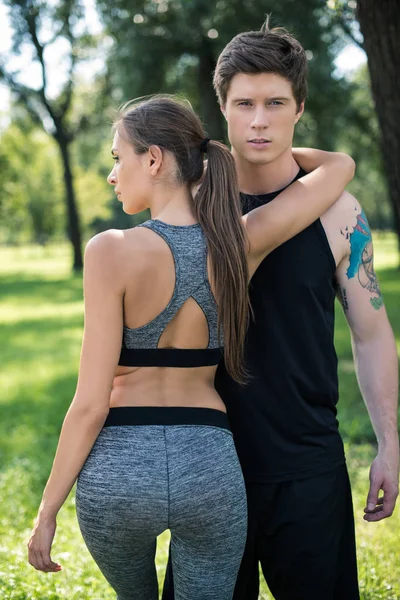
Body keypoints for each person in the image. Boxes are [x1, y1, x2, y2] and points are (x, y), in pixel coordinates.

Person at [27, 94, 354, 600]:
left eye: (118, 158)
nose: (113, 175)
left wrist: (47, 512)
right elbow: (339, 166)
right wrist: (228, 154)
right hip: (210, 467)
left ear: (153, 159)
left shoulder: (110, 251)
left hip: (120, 472)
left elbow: (90, 404)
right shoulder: (237, 245)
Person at [162, 21, 399, 600]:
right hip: (209, 463)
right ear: (223, 108)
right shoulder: (186, 206)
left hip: (308, 465)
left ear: (299, 108)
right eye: (244, 104)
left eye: (275, 102)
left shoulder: (342, 215)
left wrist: (390, 442)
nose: (259, 120)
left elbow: (371, 335)